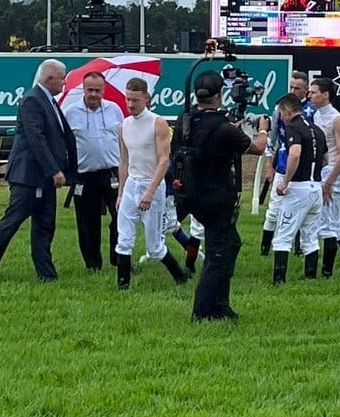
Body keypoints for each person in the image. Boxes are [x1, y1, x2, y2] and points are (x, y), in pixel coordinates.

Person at [172, 71, 270, 321]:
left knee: (231, 245)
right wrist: (263, 130)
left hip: (190, 194)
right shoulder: (224, 128)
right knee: (218, 254)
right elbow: (257, 148)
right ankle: (203, 310)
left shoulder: (184, 120)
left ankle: (221, 304)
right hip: (216, 197)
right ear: (218, 96)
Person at [0, 59, 77, 283]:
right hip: (28, 177)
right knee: (12, 222)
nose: (64, 82)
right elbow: (36, 138)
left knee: (45, 226)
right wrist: (54, 170)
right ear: (49, 78)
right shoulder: (32, 100)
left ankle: (46, 274)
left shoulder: (49, 101)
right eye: (62, 77)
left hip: (46, 178)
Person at [115, 77, 189, 290]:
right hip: (132, 183)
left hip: (152, 184)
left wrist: (150, 191)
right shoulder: (124, 125)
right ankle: (122, 287)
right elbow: (124, 161)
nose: (130, 104)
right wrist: (121, 192)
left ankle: (181, 278)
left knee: (154, 246)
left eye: (135, 100)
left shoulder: (157, 123)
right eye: (128, 99)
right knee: (124, 239)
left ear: (146, 99)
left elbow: (164, 160)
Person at [62, 71, 124, 271]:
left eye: (98, 90)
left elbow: (122, 140)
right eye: (90, 90)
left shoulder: (114, 109)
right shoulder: (71, 112)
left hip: (112, 173)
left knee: (120, 217)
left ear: (104, 90)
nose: (94, 94)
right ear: (83, 89)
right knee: (87, 222)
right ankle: (93, 265)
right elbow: (64, 144)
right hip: (84, 176)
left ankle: (119, 259)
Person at [270, 93, 327, 283]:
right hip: (316, 187)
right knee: (310, 236)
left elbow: (294, 154)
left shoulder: (293, 128)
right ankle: (311, 277)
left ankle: (279, 281)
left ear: (287, 111)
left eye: (281, 113)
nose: (281, 117)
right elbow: (326, 159)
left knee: (283, 236)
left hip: (298, 188)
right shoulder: (317, 129)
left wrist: (285, 181)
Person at [260, 70, 316, 256]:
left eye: (297, 88)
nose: (293, 91)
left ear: (306, 90)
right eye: (291, 87)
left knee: (303, 211)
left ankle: (299, 248)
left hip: (305, 168)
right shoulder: (280, 109)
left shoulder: (313, 110)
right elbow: (272, 139)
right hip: (283, 164)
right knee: (273, 210)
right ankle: (264, 250)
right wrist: (269, 165)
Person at [308, 78, 340, 276]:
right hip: (323, 171)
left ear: (326, 95)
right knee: (334, 222)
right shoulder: (316, 116)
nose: (310, 96)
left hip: (334, 174)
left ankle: (327, 271)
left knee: (328, 223)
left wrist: (329, 180)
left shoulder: (337, 119)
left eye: (313, 92)